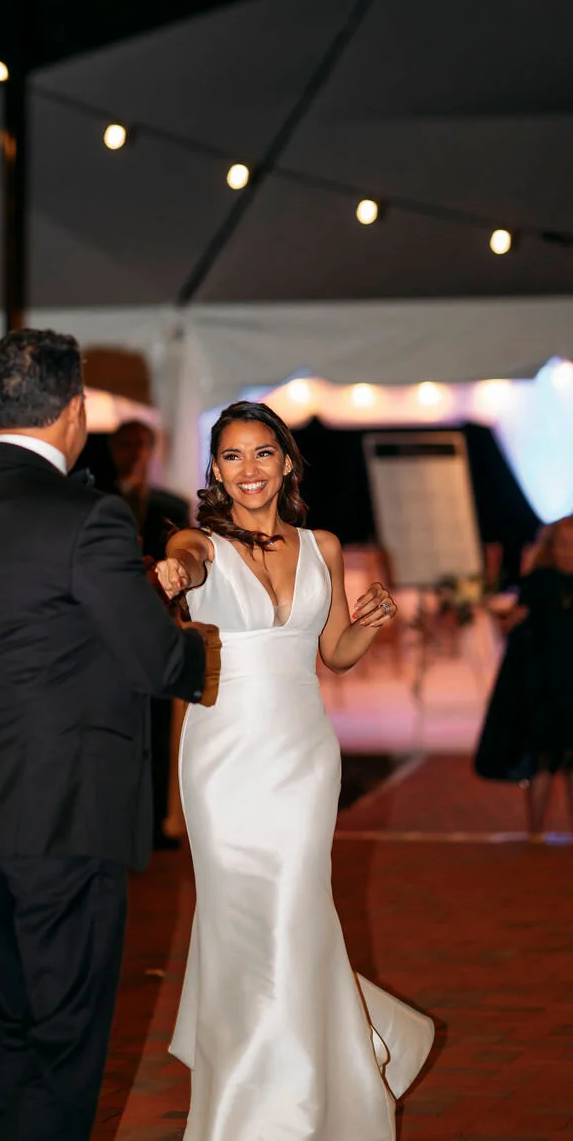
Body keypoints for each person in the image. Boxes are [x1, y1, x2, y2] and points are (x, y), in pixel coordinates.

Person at [0, 328, 217, 1141]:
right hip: (66, 810)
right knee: (66, 1040)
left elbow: (29, 622)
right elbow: (156, 660)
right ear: (76, 410)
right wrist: (200, 642)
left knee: (17, 1022)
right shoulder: (88, 516)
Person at [155, 400, 434, 1140]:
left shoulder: (324, 546)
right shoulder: (199, 542)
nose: (249, 469)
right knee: (240, 918)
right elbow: (186, 559)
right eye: (232, 456)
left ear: (286, 463)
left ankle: (313, 1083)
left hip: (303, 754)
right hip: (222, 756)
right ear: (216, 471)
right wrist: (175, 571)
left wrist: (368, 625)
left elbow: (332, 652)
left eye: (262, 453)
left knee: (298, 909)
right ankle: (251, 1095)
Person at [109, 418, 191, 850]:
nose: (136, 453)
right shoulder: (97, 500)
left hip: (156, 632)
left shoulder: (171, 506)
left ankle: (156, 820)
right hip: (107, 636)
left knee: (158, 727)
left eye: (143, 445)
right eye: (127, 444)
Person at [475, 512, 573, 835]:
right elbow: (515, 628)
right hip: (545, 684)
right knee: (542, 758)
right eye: (563, 545)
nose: (568, 553)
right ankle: (536, 831)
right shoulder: (539, 582)